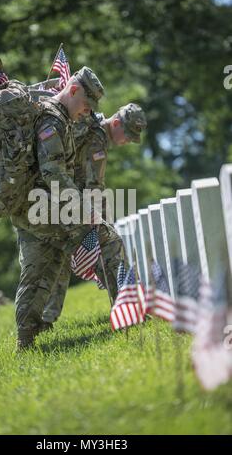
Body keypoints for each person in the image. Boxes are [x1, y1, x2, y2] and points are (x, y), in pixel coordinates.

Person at [11, 66, 114, 350]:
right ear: (72, 90)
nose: (87, 111)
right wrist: (83, 210)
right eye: (86, 104)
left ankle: (30, 337)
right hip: (41, 207)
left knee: (47, 266)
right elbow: (54, 173)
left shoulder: (60, 119)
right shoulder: (51, 121)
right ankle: (127, 312)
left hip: (37, 206)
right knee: (103, 238)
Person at [41, 103, 147, 328]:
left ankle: (44, 320)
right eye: (127, 134)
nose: (127, 140)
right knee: (111, 247)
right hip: (70, 202)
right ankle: (127, 310)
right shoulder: (97, 138)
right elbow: (93, 186)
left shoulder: (88, 124)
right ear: (116, 123)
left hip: (53, 198)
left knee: (58, 260)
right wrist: (103, 220)